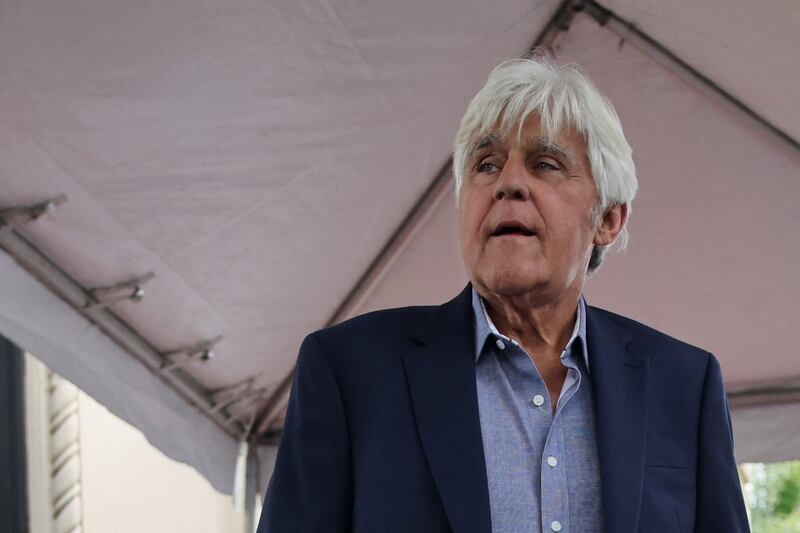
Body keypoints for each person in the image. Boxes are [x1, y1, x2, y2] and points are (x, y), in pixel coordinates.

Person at [256, 57, 750, 532]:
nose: (508, 183)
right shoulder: (350, 370)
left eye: (545, 164)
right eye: (486, 164)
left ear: (606, 218)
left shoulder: (684, 385)